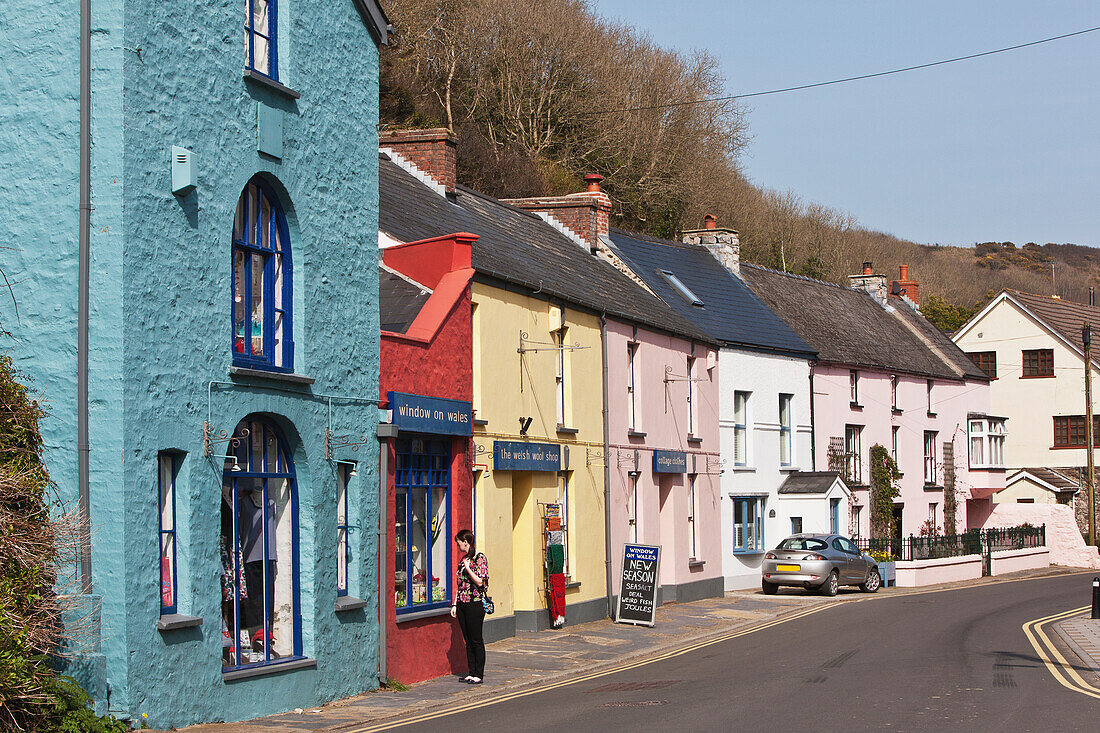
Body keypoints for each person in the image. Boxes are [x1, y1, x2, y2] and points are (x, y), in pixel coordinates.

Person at [451, 529, 489, 684]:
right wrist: (454, 603)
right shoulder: (464, 559)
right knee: (467, 639)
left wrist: (468, 568)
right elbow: (460, 584)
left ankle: (478, 674)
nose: (458, 545)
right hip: (462, 603)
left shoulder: (479, 558)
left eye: (459, 542)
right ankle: (471, 671)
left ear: (465, 542)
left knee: (476, 639)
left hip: (475, 603)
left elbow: (481, 581)